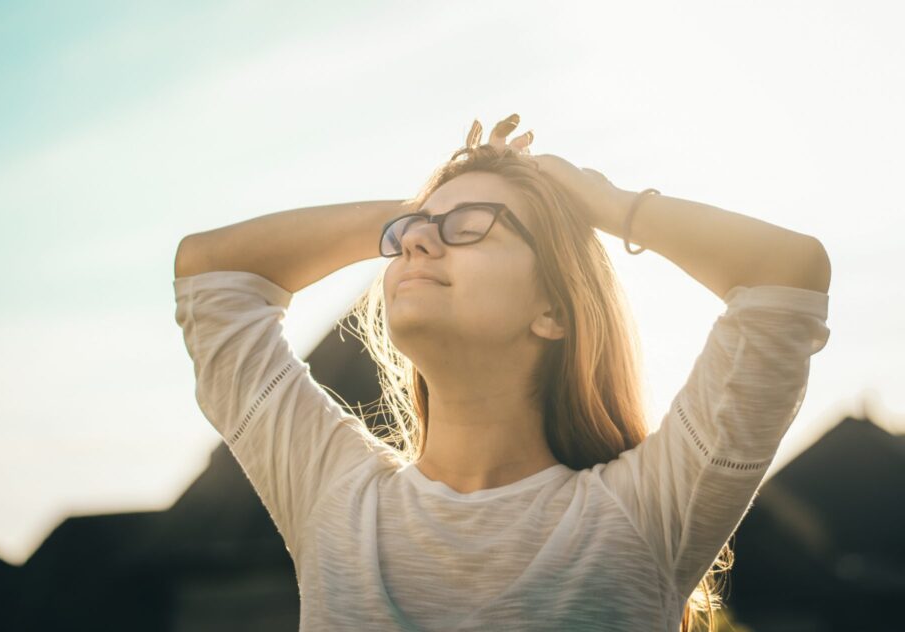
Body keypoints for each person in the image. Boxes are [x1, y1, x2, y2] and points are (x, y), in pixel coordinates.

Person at [173, 113, 831, 631]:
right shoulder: (334, 497)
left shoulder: (645, 512)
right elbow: (210, 273)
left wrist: (604, 203)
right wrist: (416, 209)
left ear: (553, 309)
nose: (418, 242)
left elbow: (785, 275)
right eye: (408, 235)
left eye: (470, 227)